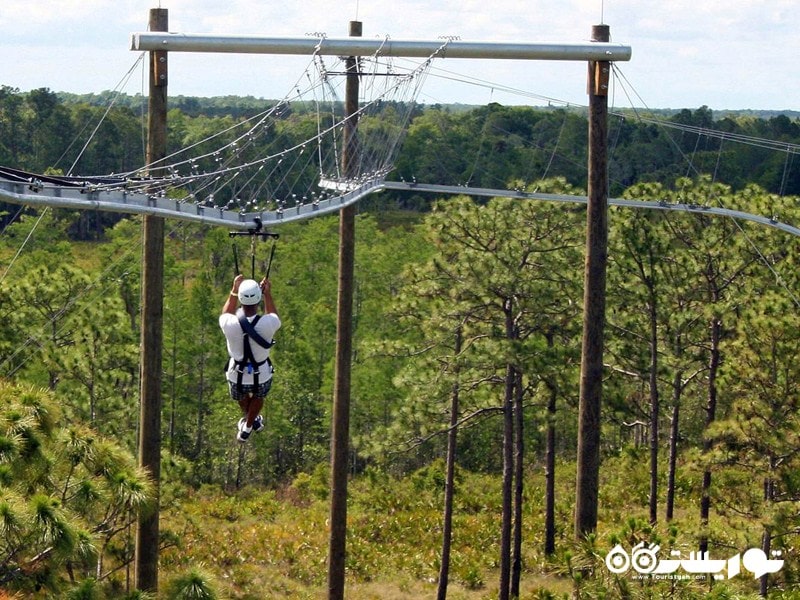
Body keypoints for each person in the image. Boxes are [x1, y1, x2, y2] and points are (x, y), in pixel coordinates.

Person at [220, 274, 280, 442]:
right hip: (261, 373)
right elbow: (273, 315)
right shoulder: (268, 323)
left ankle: (248, 422)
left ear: (240, 298)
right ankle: (249, 424)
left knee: (241, 396)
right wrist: (267, 293)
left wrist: (233, 290)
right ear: (258, 298)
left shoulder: (228, 323)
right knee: (258, 397)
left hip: (235, 373)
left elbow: (226, 313)